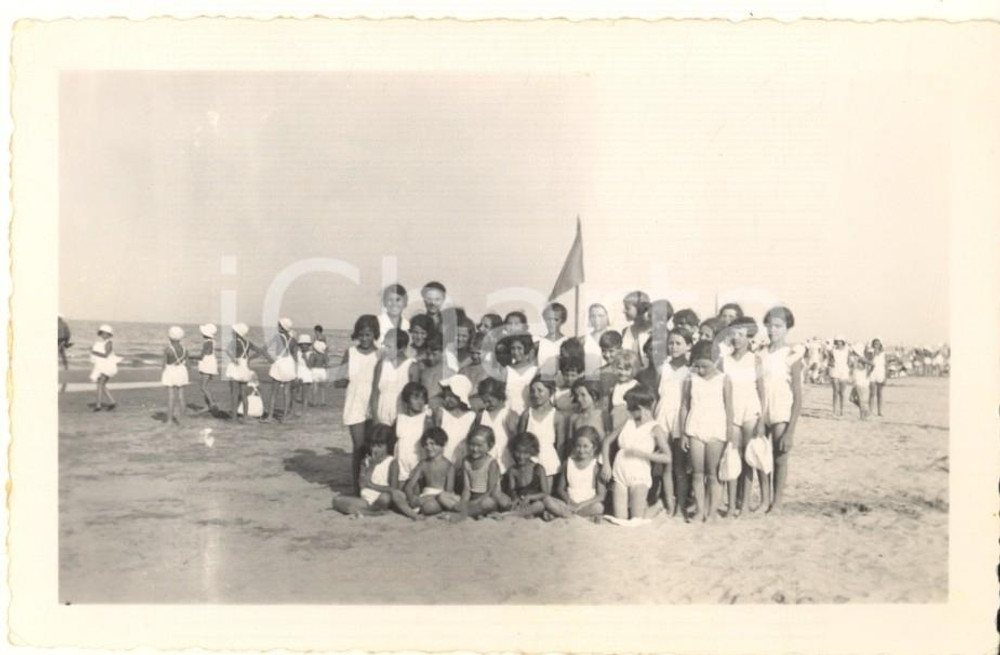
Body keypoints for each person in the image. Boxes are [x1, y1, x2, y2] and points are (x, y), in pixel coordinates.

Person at [679, 340, 732, 522]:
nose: (700, 370)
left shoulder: (724, 379)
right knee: (697, 473)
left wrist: (729, 434)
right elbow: (684, 405)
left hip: (716, 428)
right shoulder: (691, 378)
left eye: (705, 366)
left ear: (716, 361)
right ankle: (700, 510)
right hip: (695, 427)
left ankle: (712, 512)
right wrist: (684, 432)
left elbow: (729, 408)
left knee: (713, 473)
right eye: (697, 366)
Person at [603, 385, 671, 520]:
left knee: (636, 521)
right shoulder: (627, 422)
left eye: (630, 407)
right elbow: (606, 442)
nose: (628, 410)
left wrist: (642, 454)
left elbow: (667, 457)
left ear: (640, 408)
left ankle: (658, 505)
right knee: (620, 520)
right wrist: (606, 464)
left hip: (639, 474)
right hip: (620, 473)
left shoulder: (655, 428)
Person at [720, 317, 765, 516]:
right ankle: (731, 505)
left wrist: (762, 419)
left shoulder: (755, 360)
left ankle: (745, 504)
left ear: (749, 336)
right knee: (731, 457)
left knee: (749, 458)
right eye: (733, 334)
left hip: (751, 410)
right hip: (731, 411)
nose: (736, 339)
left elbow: (761, 391)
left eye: (741, 334)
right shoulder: (724, 361)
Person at [761, 306, 803, 513]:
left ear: (787, 328)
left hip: (781, 410)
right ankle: (764, 499)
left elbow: (798, 396)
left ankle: (777, 502)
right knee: (760, 455)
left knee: (780, 457)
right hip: (761, 410)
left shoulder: (792, 355)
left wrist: (791, 430)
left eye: (778, 326)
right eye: (769, 325)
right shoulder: (760, 353)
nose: (772, 330)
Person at [332, 426, 422, 520]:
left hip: (382, 496)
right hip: (366, 500)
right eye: (373, 445)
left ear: (388, 445)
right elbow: (362, 484)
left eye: (380, 446)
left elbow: (393, 488)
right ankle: (371, 512)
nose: (375, 449)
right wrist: (372, 465)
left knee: (385, 498)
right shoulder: (366, 461)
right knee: (336, 501)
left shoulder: (392, 462)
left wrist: (371, 485)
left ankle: (365, 511)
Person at [336, 314, 380, 494]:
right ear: (356, 334)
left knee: (376, 447)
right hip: (355, 403)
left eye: (368, 335)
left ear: (375, 334)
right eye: (361, 335)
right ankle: (357, 487)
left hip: (375, 403)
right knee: (359, 447)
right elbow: (339, 379)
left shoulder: (381, 354)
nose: (364, 338)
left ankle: (374, 483)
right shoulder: (350, 352)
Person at [654, 328, 692, 517]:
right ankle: (669, 503)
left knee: (679, 466)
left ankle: (681, 505)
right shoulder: (663, 368)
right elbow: (655, 396)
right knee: (666, 465)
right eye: (671, 343)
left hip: (680, 419)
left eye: (678, 343)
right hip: (662, 418)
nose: (674, 347)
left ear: (688, 346)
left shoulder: (691, 370)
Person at [543, 427, 607, 519]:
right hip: (568, 503)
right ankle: (571, 515)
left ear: (594, 447)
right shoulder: (568, 463)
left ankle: (563, 515)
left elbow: (601, 495)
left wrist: (581, 505)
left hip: (586, 505)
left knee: (599, 507)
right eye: (578, 446)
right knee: (547, 500)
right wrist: (569, 501)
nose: (581, 450)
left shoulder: (596, 466)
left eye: (585, 446)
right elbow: (560, 489)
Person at [516, 375, 564, 483]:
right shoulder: (527, 414)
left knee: (546, 495)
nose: (535, 395)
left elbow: (560, 445)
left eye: (540, 391)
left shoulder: (557, 416)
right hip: (528, 462)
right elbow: (520, 441)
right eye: (532, 391)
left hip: (549, 464)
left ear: (551, 392)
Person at [403, 427, 457, 517]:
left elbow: (449, 492)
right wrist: (412, 498)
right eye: (426, 444)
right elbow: (409, 485)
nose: (428, 447)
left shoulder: (449, 466)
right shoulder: (423, 463)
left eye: (432, 444)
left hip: (440, 497)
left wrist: (428, 498)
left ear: (443, 444)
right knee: (405, 501)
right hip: (424, 494)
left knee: (428, 507)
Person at [496, 432, 550, 518]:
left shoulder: (538, 469)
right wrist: (516, 499)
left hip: (534, 501)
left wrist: (530, 497)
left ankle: (508, 515)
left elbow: (545, 492)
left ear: (532, 452)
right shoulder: (513, 471)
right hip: (520, 502)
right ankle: (523, 513)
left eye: (525, 453)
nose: (521, 456)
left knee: (540, 505)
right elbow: (512, 490)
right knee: (502, 499)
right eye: (518, 452)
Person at [369, 328, 414, 427]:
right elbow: (375, 393)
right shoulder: (381, 365)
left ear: (401, 348)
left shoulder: (411, 366)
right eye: (384, 345)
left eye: (388, 346)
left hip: (402, 417)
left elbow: (414, 397)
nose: (384, 349)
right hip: (382, 417)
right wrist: (375, 419)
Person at [454, 426, 502, 519]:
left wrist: (474, 503)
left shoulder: (491, 463)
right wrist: (464, 502)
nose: (475, 449)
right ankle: (473, 512)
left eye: (479, 446)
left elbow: (490, 491)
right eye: (472, 444)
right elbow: (466, 489)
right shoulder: (466, 461)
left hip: (486, 498)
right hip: (472, 498)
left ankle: (464, 513)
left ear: (490, 446)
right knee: (443, 497)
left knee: (489, 503)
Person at [473, 378, 519, 473]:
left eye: (489, 401)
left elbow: (516, 440)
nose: (486, 404)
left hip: (504, 461)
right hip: (485, 460)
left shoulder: (509, 414)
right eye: (484, 401)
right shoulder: (481, 414)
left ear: (500, 397)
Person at [225, 323, 266, 421]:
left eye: (233, 331)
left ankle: (234, 417)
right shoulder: (248, 342)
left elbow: (227, 350)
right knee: (243, 393)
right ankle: (245, 417)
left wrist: (232, 358)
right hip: (244, 366)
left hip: (236, 365)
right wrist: (250, 358)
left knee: (234, 393)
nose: (232, 332)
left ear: (236, 333)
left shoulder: (234, 341)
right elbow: (260, 351)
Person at [394, 382, 433, 484]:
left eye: (422, 399)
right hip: (401, 468)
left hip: (418, 468)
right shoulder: (399, 419)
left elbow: (429, 447)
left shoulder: (426, 419)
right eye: (416, 398)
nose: (420, 402)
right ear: (407, 400)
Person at [433, 375, 476, 466]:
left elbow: (470, 439)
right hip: (442, 458)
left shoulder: (471, 416)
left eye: (452, 396)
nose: (447, 399)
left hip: (462, 459)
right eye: (446, 396)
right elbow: (435, 437)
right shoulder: (441, 412)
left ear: (461, 397)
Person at [265, 318, 297, 422]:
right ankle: (284, 417)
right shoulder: (293, 340)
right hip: (289, 364)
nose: (278, 326)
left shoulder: (277, 337)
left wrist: (270, 360)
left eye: (279, 325)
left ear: (282, 327)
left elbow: (265, 348)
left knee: (274, 392)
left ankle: (270, 416)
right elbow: (295, 357)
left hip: (280, 362)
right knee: (286, 392)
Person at [502, 333, 537, 415]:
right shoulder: (506, 370)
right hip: (509, 414)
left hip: (528, 415)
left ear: (527, 349)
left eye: (519, 348)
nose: (516, 352)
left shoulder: (535, 371)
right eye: (513, 348)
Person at [161, 326, 190, 426]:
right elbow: (188, 365)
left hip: (171, 371)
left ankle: (169, 420)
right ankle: (184, 419)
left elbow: (164, 365)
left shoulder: (167, 349)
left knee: (171, 396)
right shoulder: (185, 349)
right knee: (181, 396)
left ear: (170, 337)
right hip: (182, 370)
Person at [607, 350, 641, 435]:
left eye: (627, 370)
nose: (622, 373)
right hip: (615, 425)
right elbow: (610, 409)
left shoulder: (635, 386)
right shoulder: (615, 387)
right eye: (620, 368)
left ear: (633, 370)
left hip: (630, 427)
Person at [89, 324, 120, 411]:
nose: (102, 335)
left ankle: (98, 405)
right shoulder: (104, 342)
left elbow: (106, 355)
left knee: (100, 384)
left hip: (107, 366)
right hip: (105, 365)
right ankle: (112, 402)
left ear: (108, 334)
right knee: (101, 385)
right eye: (101, 333)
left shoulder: (109, 343)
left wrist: (94, 352)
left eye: (103, 333)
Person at [537, 302, 568, 380]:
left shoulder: (567, 342)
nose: (551, 323)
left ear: (562, 320)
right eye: (548, 319)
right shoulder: (538, 343)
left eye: (556, 320)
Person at [621, 291, 652, 367]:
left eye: (627, 308)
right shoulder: (625, 331)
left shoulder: (653, 331)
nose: (623, 311)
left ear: (640, 309)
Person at [193, 323, 219, 413]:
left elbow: (201, 356)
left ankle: (211, 404)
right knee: (205, 386)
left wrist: (189, 357)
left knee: (203, 386)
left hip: (207, 365)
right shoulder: (212, 342)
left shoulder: (207, 343)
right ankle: (208, 405)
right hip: (210, 364)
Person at [376, 283, 410, 348]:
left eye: (398, 300)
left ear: (405, 302)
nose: (394, 304)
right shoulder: (376, 322)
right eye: (390, 300)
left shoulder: (407, 324)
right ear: (384, 302)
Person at [580, 303, 610, 375]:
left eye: (600, 316)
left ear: (607, 317)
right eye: (593, 316)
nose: (596, 320)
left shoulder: (614, 337)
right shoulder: (583, 340)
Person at [828, 335, 851, 417]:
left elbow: (848, 362)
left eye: (840, 341)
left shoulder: (847, 351)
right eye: (837, 341)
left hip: (844, 371)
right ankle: (834, 411)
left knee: (842, 392)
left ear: (843, 342)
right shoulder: (832, 351)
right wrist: (831, 364)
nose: (839, 343)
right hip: (835, 370)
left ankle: (842, 411)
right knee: (835, 391)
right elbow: (829, 361)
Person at [849, 347, 871, 420]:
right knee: (851, 398)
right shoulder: (855, 359)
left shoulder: (861, 358)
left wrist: (868, 373)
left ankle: (862, 416)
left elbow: (872, 364)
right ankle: (866, 410)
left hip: (860, 381)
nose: (852, 353)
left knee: (860, 398)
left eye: (854, 352)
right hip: (856, 381)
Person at [294, 334, 313, 411]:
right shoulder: (297, 353)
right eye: (301, 345)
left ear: (308, 345)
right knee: (295, 393)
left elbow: (310, 366)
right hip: (298, 373)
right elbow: (295, 363)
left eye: (305, 344)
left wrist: (305, 358)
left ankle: (304, 411)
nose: (303, 346)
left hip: (307, 374)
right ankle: (294, 410)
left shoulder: (311, 354)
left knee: (304, 394)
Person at [868, 338, 887, 417]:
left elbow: (885, 365)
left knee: (880, 393)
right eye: (875, 344)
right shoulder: (870, 353)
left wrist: (885, 376)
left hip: (881, 373)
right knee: (872, 393)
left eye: (878, 344)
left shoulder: (883, 353)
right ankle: (870, 410)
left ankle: (879, 411)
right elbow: (869, 362)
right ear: (873, 345)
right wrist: (873, 354)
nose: (876, 345)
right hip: (872, 373)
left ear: (880, 345)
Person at [309, 340, 329, 406]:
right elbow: (326, 364)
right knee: (322, 387)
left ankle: (314, 402)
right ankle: (323, 401)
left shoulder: (313, 355)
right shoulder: (324, 355)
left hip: (315, 370)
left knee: (315, 387)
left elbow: (311, 363)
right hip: (322, 370)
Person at [58, 316, 72, 390]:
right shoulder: (64, 323)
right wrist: (66, 342)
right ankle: (66, 368)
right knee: (63, 356)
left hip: (58, 340)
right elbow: (68, 334)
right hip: (62, 340)